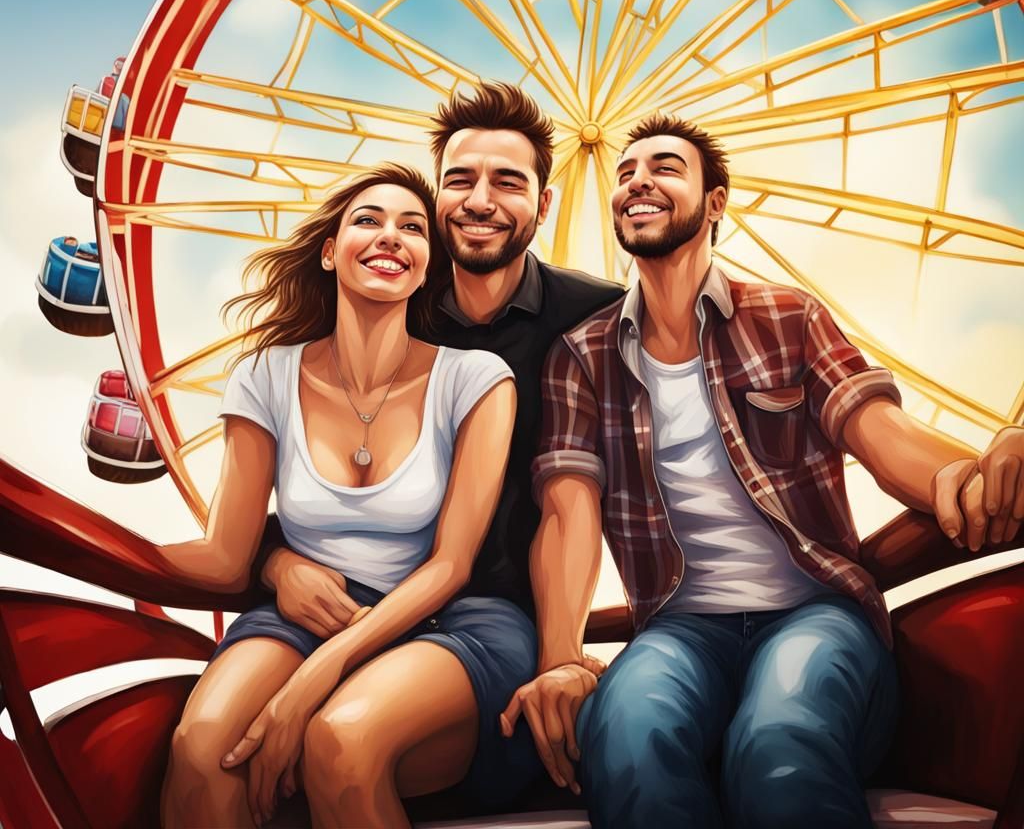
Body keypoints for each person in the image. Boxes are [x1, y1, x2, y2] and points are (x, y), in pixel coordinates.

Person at [505, 113, 1024, 828]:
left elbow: (880, 435)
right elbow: (570, 511)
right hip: (679, 629)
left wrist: (980, 470)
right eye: (625, 175)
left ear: (716, 203)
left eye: (664, 168)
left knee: (780, 739)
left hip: (815, 611)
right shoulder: (581, 356)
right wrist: (562, 657)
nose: (636, 183)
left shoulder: (789, 316)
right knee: (625, 737)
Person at [259, 82, 624, 809]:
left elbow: (584, 497)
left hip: (490, 619)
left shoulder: (601, 318)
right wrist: (276, 560)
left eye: (507, 182)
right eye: (459, 180)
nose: (479, 200)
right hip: (356, 605)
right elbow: (307, 483)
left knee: (342, 743)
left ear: (543, 206)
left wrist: (562, 654)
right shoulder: (392, 305)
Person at [159, 163, 525, 829]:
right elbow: (224, 557)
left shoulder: (475, 379)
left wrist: (315, 677)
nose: (391, 237)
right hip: (303, 616)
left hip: (445, 620)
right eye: (368, 220)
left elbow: (452, 564)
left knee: (339, 741)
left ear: (425, 268)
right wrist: (72, 537)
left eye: (413, 228)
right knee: (203, 749)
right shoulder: (265, 377)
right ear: (329, 251)